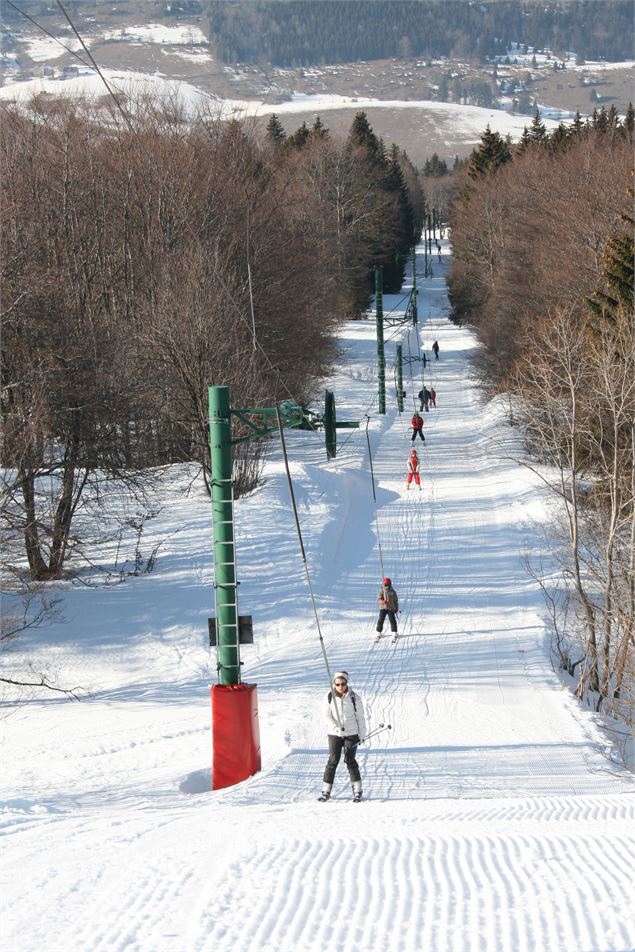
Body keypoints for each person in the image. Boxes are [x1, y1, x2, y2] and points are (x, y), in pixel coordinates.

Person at [318, 671, 367, 802]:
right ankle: (326, 790)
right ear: (334, 684)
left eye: (343, 684)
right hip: (335, 734)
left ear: (347, 683)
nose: (340, 687)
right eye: (337, 684)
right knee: (333, 760)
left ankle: (357, 789)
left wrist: (362, 735)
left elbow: (360, 718)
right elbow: (326, 715)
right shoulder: (329, 696)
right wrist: (335, 726)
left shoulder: (354, 697)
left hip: (351, 733)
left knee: (350, 760)